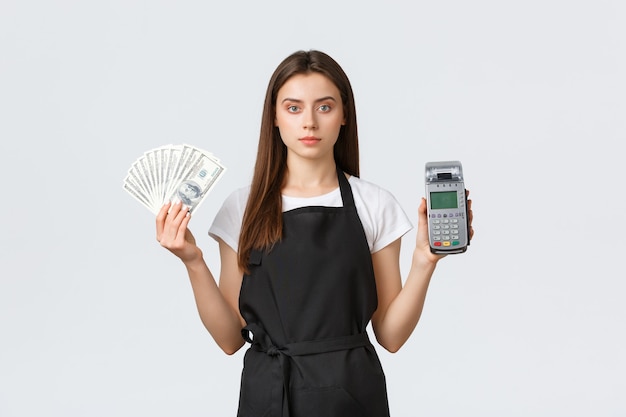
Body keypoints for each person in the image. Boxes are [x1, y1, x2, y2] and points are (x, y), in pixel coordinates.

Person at [156, 50, 474, 417]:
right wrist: (193, 262)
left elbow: (390, 336)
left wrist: (424, 262)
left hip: (352, 398)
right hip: (268, 397)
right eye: (293, 108)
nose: (309, 122)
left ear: (343, 117)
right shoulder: (242, 208)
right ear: (274, 118)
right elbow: (230, 340)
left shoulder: (374, 204)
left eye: (324, 107)